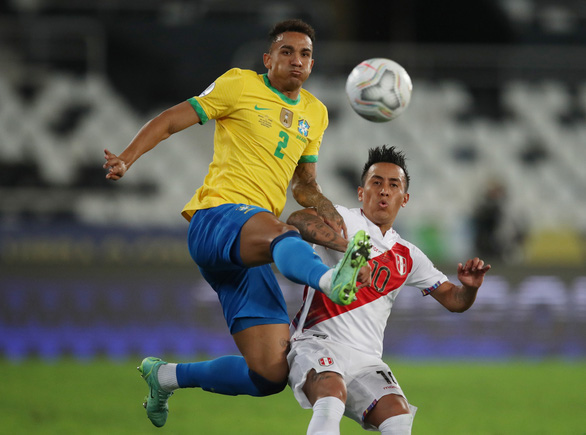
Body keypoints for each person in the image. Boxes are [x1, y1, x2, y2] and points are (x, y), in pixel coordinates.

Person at [102, 19, 372, 428]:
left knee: (269, 374)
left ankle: (166, 376)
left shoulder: (315, 113)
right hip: (217, 219)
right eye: (286, 51)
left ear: (312, 65)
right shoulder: (239, 84)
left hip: (251, 246)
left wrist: (335, 218)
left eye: (305, 54)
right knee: (283, 232)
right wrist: (127, 157)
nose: (296, 60)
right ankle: (328, 280)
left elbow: (305, 186)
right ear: (268, 58)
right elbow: (174, 119)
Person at [286, 145, 491, 434]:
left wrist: (469, 289)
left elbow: (454, 300)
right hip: (318, 342)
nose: (384, 191)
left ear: (404, 198)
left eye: (393, 185)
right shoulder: (343, 219)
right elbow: (298, 219)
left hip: (367, 359)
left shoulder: (408, 255)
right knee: (331, 394)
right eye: (376, 182)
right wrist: (350, 252)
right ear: (361, 192)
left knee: (397, 415)